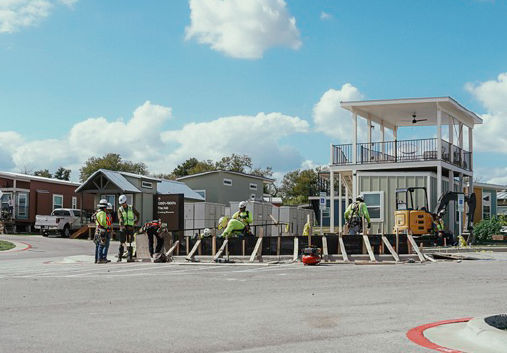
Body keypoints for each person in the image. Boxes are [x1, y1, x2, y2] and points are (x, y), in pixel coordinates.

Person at [117, 194, 139, 262]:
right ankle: (119, 258)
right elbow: (120, 217)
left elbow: (137, 214)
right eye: (121, 204)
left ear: (125, 201)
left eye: (123, 203)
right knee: (122, 242)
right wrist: (121, 224)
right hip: (123, 228)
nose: (122, 205)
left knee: (130, 243)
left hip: (130, 228)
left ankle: (129, 258)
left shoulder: (131, 207)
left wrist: (136, 221)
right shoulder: (120, 209)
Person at [94, 199, 109, 264]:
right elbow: (103, 222)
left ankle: (96, 259)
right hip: (102, 230)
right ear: (104, 207)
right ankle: (100, 259)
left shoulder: (97, 212)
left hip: (97, 230)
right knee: (101, 245)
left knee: (97, 245)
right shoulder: (103, 213)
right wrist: (106, 226)